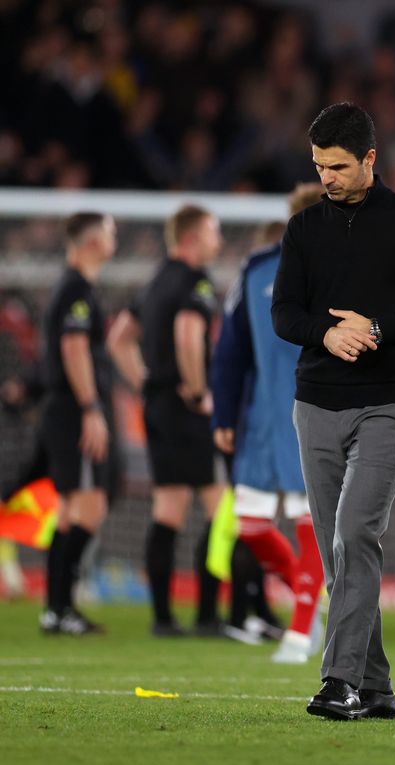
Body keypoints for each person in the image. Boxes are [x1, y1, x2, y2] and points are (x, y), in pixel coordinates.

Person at [272, 102, 395, 721]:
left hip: (390, 402)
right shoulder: (303, 230)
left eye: (339, 166)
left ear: (371, 161)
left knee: (356, 533)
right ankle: (376, 689)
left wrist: (378, 329)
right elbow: (285, 315)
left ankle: (339, 682)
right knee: (339, 552)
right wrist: (324, 337)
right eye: (319, 166)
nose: (327, 177)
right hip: (317, 403)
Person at [210, 183, 328, 664]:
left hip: (316, 410)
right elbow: (230, 350)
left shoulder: (343, 273)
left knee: (309, 520)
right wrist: (223, 413)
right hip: (261, 417)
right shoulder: (256, 270)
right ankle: (312, 599)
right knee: (252, 525)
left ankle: (300, 633)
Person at [108, 205, 227, 637]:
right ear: (192, 238)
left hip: (157, 408)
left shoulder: (156, 281)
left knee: (169, 510)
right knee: (220, 508)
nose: (218, 241)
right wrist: (197, 391)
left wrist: (147, 382)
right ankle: (209, 614)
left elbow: (118, 338)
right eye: (213, 233)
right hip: (186, 410)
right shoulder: (195, 282)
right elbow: (188, 336)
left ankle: (162, 617)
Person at [37, 212, 118, 635]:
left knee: (71, 511)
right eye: (109, 231)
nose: (114, 238)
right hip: (73, 410)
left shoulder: (70, 286)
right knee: (89, 505)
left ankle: (56, 608)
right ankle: (60, 606)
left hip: (63, 409)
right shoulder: (77, 290)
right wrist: (91, 409)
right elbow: (73, 348)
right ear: (91, 241)